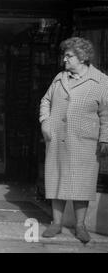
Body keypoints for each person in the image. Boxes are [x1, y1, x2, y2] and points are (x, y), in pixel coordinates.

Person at [39, 37, 108, 243]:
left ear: (82, 57)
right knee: (56, 180)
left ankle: (80, 226)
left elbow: (106, 113)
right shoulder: (60, 78)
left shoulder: (101, 82)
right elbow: (46, 100)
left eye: (68, 56)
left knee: (82, 185)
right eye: (64, 55)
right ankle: (56, 223)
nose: (64, 60)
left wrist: (105, 139)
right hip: (58, 139)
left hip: (84, 142)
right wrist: (45, 122)